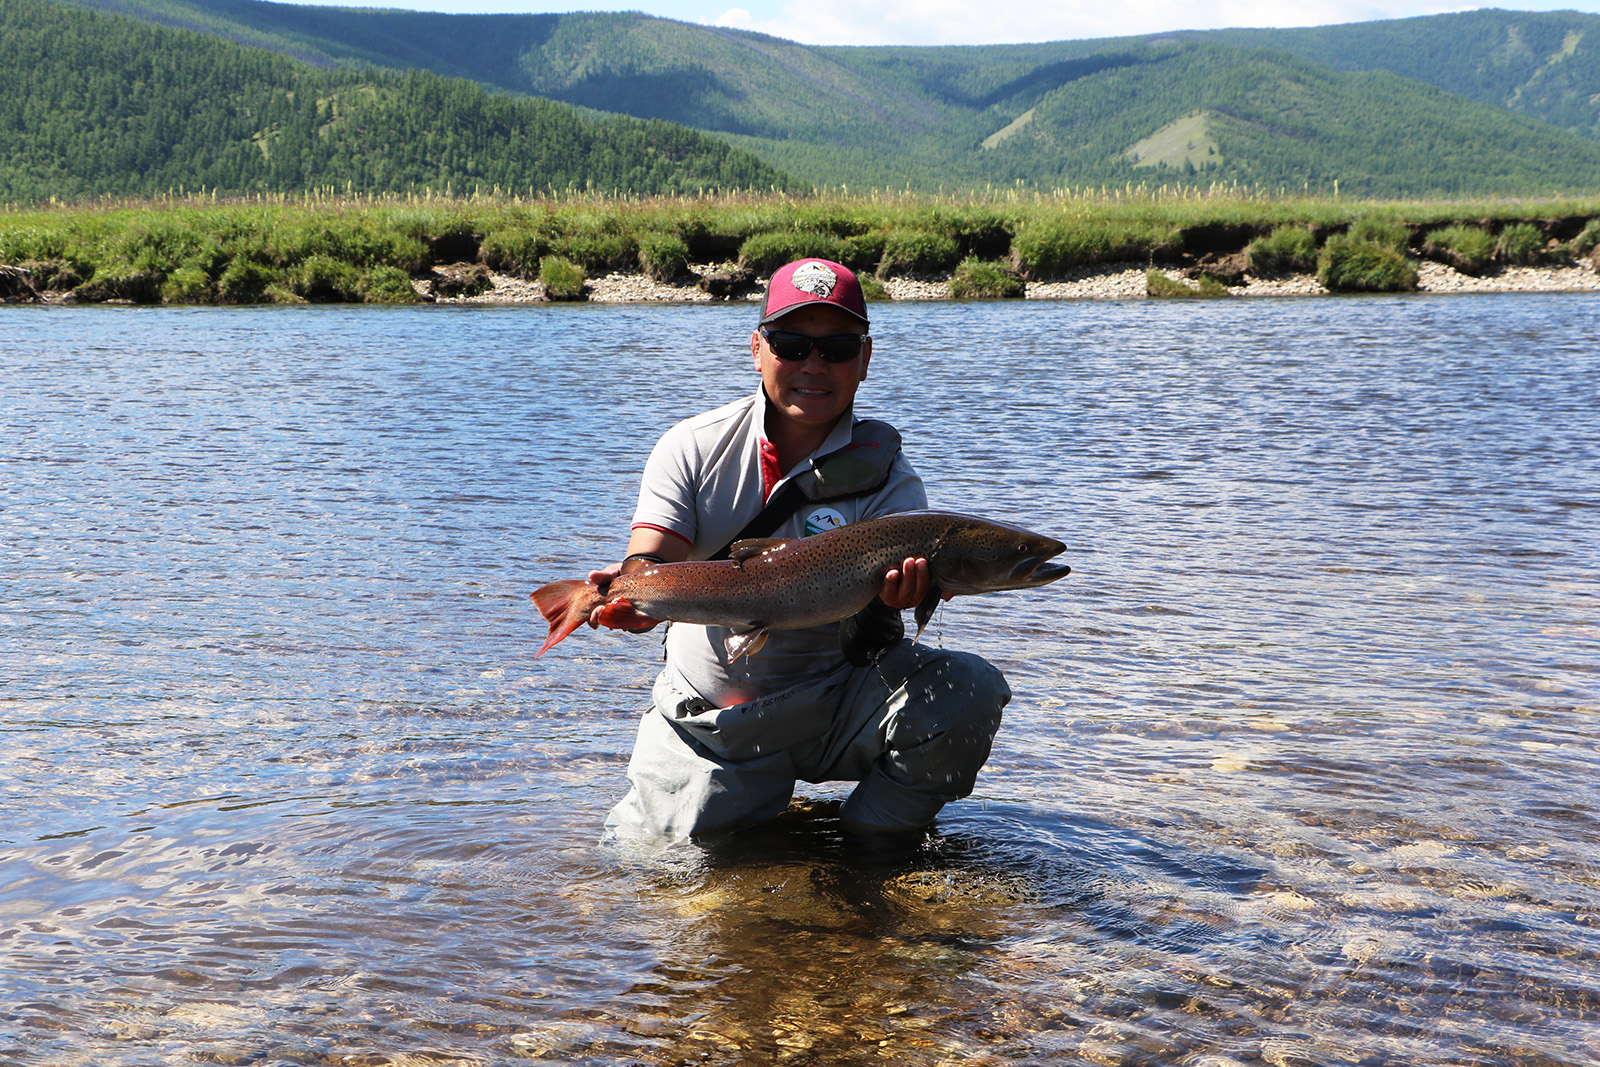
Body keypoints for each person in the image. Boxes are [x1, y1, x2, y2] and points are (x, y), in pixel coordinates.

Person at [594, 258, 1010, 842]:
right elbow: (650, 561)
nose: (814, 365)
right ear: (758, 348)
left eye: (837, 348)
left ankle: (874, 850)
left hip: (837, 703)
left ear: (865, 359)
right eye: (792, 344)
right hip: (719, 720)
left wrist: (890, 604)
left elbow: (873, 644)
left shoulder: (890, 478)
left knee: (968, 688)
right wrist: (633, 596)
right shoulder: (691, 447)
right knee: (657, 881)